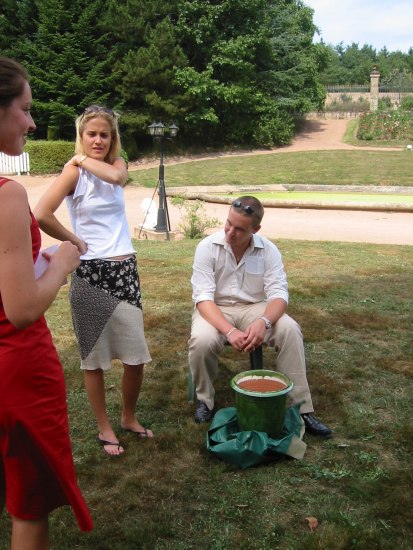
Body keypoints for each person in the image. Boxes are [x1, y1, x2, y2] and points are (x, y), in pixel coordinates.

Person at [0, 57, 93, 548]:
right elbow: (20, 309)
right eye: (25, 109)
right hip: (15, 371)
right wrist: (61, 263)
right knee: (28, 505)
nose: (32, 123)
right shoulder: (7, 196)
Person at [34, 104, 153, 457]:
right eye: (91, 134)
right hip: (90, 273)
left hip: (124, 269)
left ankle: (128, 417)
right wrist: (73, 240)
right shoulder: (73, 175)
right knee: (94, 359)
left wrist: (80, 159)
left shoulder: (114, 165)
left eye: (104, 134)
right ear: (81, 136)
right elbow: (41, 213)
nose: (98, 140)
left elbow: (117, 178)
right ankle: (104, 428)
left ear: (112, 138)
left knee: (136, 357)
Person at [188, 196, 332, 437]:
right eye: (228, 224)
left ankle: (302, 409)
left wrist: (264, 321)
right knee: (202, 339)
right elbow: (202, 298)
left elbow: (279, 295)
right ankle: (205, 401)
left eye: (240, 229)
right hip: (215, 307)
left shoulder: (269, 250)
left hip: (254, 307)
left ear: (256, 230)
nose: (230, 232)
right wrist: (230, 331)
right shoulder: (206, 247)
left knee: (289, 329)